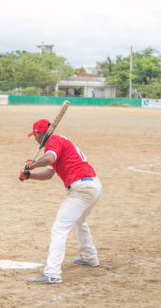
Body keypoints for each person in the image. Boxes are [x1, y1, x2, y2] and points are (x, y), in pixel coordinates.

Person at [19, 119, 102, 284]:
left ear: (39, 134)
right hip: (92, 186)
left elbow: (49, 158)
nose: (35, 139)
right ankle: (90, 257)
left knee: (59, 228)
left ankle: (52, 273)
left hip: (82, 189)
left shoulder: (53, 142)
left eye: (35, 135)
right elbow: (49, 173)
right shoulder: (57, 142)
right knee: (79, 222)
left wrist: (33, 164)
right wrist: (30, 175)